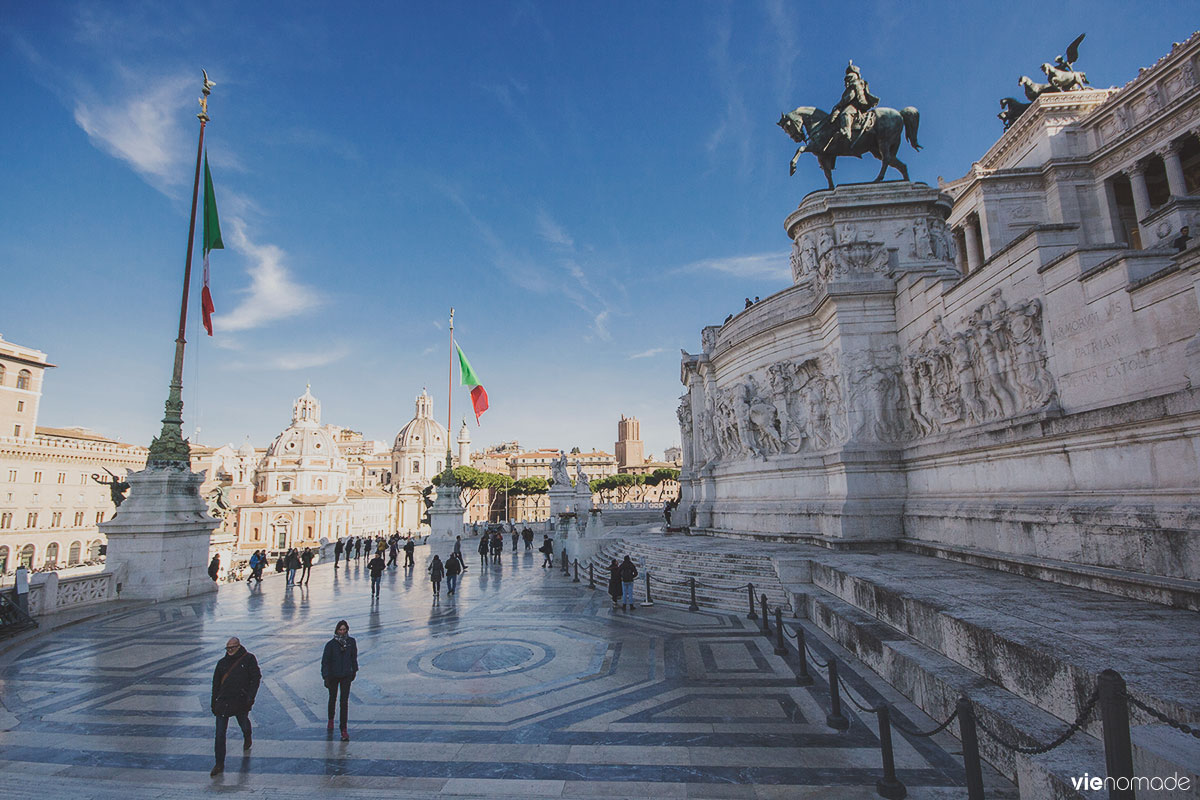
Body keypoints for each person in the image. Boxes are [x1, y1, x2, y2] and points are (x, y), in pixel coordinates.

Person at [210, 636, 261, 776]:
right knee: (220, 734)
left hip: (240, 701)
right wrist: (213, 703)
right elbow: (215, 684)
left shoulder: (249, 659)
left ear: (238, 646)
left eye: (232, 648)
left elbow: (256, 678)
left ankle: (247, 736)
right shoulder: (222, 663)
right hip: (223, 702)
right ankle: (219, 763)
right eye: (228, 648)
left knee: (243, 723)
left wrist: (250, 697)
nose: (230, 650)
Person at [826, 60, 879, 153]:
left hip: (856, 105)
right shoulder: (851, 85)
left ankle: (847, 132)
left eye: (849, 78)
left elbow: (850, 97)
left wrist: (839, 105)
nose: (847, 81)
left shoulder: (856, 84)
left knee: (845, 113)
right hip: (850, 104)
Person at [321, 620, 358, 741]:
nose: (342, 632)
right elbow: (325, 662)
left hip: (346, 675)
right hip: (333, 675)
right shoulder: (331, 645)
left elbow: (354, 658)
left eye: (344, 629)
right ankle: (331, 719)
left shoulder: (351, 642)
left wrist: (354, 671)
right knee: (332, 698)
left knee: (344, 702)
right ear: (336, 630)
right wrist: (326, 676)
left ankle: (344, 729)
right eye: (340, 630)